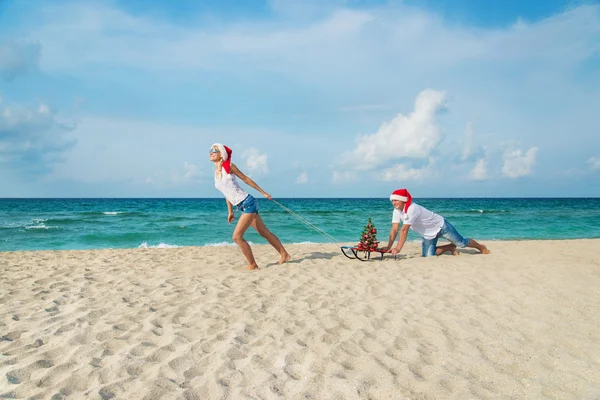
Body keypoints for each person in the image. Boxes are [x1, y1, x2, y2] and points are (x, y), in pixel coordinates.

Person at [210, 143, 290, 270]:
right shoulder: (216, 173)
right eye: (210, 150)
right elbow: (227, 193)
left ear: (222, 154)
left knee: (236, 237)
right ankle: (284, 254)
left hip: (248, 203)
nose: (211, 152)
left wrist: (263, 192)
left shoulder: (229, 166)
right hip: (242, 206)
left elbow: (246, 179)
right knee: (264, 232)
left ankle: (253, 264)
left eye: (215, 150)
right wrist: (230, 212)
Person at [380, 188, 491, 257]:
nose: (393, 202)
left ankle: (481, 247)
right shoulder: (397, 211)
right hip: (428, 234)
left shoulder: (412, 208)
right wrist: (389, 246)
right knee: (428, 256)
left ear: (403, 200)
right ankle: (449, 248)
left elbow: (404, 230)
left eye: (396, 200)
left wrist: (398, 248)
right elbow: (394, 229)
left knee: (461, 243)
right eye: (392, 200)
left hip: (442, 226)